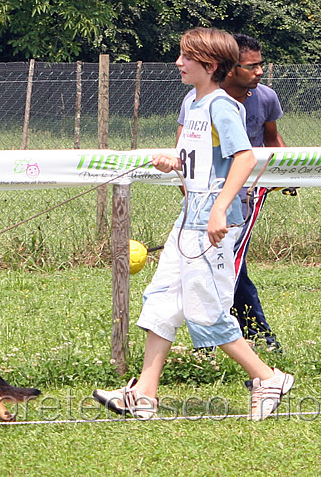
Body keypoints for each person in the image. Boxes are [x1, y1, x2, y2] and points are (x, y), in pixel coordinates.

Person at [93, 28, 294, 421]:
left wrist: (220, 210)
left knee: (206, 310)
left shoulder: (221, 105)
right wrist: (175, 162)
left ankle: (267, 377)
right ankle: (144, 395)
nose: (178, 63)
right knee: (162, 299)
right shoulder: (194, 102)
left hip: (209, 224)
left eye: (186, 57)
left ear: (210, 65)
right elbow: (205, 159)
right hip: (188, 220)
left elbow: (244, 159)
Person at [178, 33, 287, 351]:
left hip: (244, 197)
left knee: (228, 265)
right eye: (251, 66)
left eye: (260, 64)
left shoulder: (264, 97)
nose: (259, 71)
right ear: (229, 68)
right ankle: (255, 334)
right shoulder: (199, 101)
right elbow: (185, 149)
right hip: (205, 201)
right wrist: (190, 193)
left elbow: (268, 143)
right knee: (223, 266)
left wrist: (290, 175)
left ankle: (227, 343)